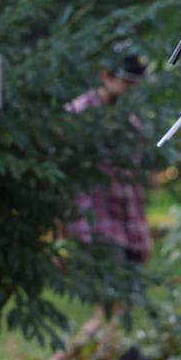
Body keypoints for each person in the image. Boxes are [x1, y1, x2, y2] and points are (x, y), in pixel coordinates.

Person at [64, 41, 154, 267]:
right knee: (109, 298)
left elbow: (133, 183)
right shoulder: (78, 114)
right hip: (96, 225)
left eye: (135, 83)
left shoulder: (130, 121)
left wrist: (142, 235)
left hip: (129, 227)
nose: (131, 89)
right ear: (106, 75)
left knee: (130, 296)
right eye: (126, 82)